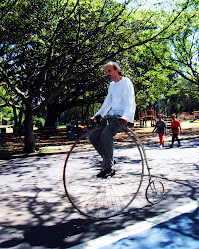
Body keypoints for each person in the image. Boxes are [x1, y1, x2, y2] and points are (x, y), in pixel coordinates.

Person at [88, 62, 136, 178]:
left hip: (122, 116)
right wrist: (96, 116)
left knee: (106, 133)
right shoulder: (112, 85)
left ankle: (109, 167)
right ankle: (108, 159)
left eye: (109, 71)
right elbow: (107, 103)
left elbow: (129, 100)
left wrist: (126, 116)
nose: (107, 74)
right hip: (112, 114)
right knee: (93, 135)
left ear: (117, 70)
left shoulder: (126, 82)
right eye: (105, 72)